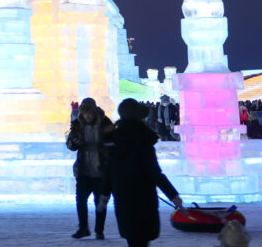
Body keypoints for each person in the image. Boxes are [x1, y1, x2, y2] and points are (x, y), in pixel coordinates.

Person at [107, 98, 183, 247]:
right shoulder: (143, 139)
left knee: (132, 239)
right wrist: (173, 195)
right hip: (143, 198)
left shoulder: (114, 140)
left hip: (123, 197)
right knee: (142, 239)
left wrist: (104, 194)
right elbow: (154, 172)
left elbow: (109, 170)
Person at [67, 97, 113, 239]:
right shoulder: (77, 125)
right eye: (85, 113)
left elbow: (113, 142)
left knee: (100, 202)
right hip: (84, 169)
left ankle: (99, 230)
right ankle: (83, 228)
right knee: (80, 200)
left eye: (90, 113)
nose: (88, 116)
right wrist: (75, 143)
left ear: (94, 111)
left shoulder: (105, 123)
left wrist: (104, 144)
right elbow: (69, 144)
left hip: (101, 171)